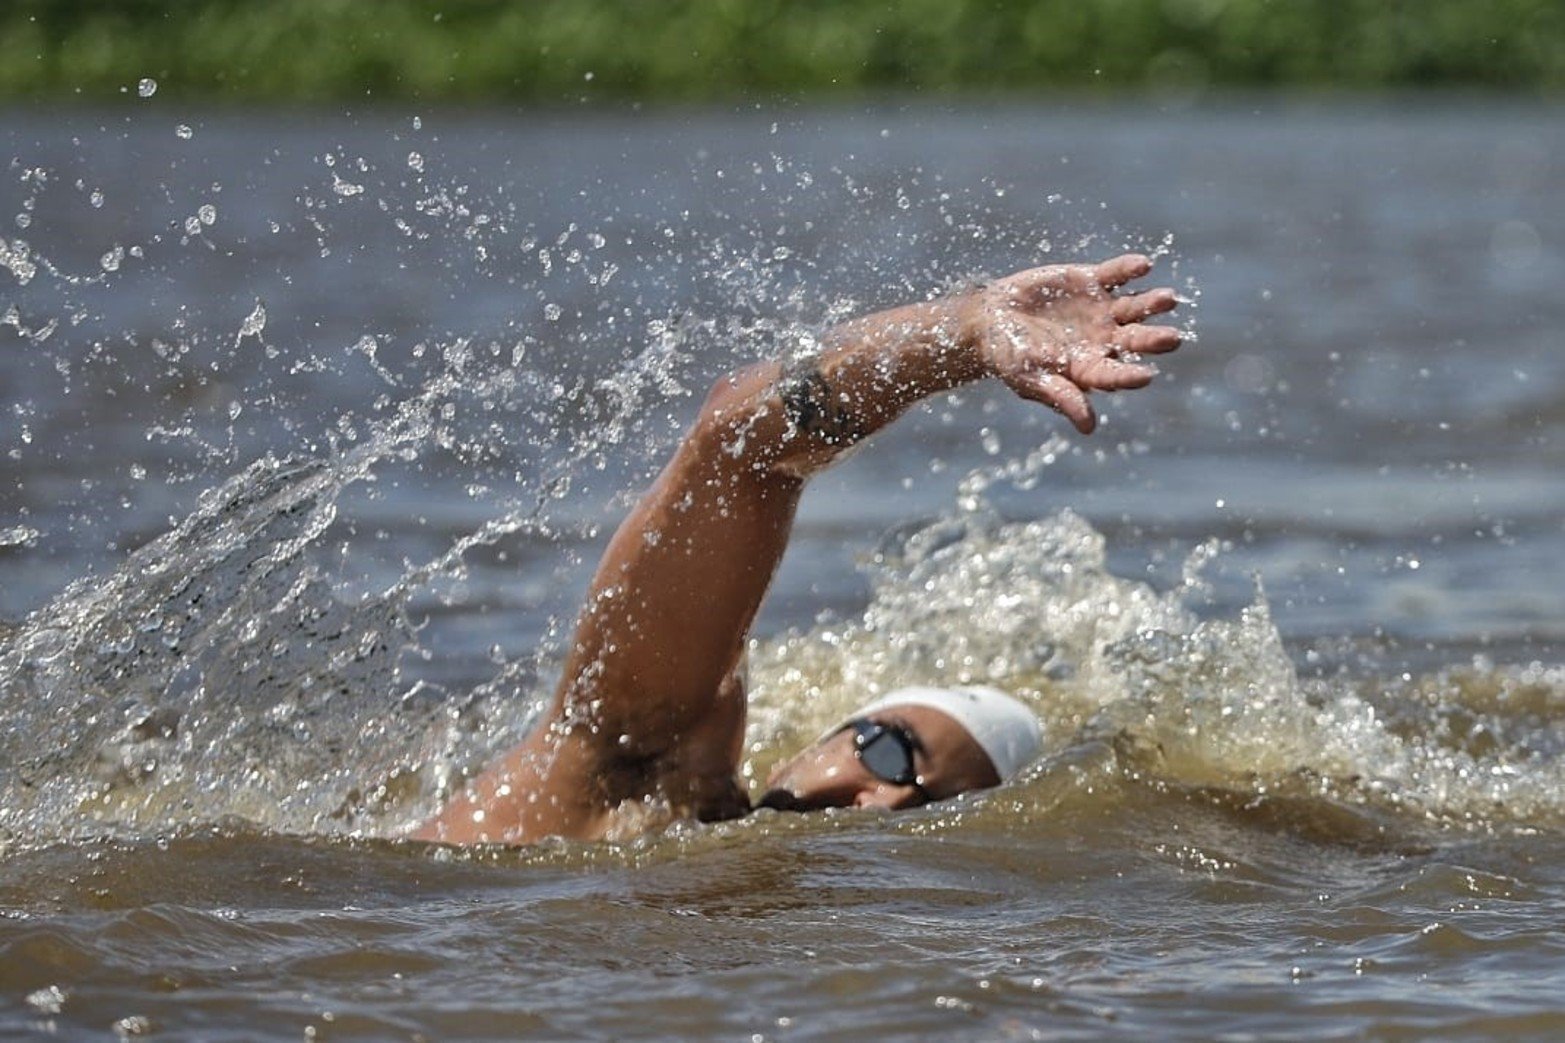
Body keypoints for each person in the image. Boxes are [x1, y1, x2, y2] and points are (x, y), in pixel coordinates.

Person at [412, 253, 1181, 844]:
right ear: (826, 738)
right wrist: (964, 334)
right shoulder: (620, 774)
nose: (884, 798)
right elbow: (738, 448)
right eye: (888, 752)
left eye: (932, 807)